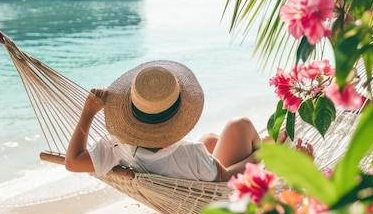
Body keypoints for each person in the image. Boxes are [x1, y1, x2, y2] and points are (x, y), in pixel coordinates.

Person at [65, 60, 272, 182]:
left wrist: (88, 112)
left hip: (178, 171)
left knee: (210, 140)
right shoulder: (190, 155)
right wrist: (260, 155)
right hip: (217, 192)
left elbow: (72, 162)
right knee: (240, 125)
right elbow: (225, 177)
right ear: (177, 116)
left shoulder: (115, 146)